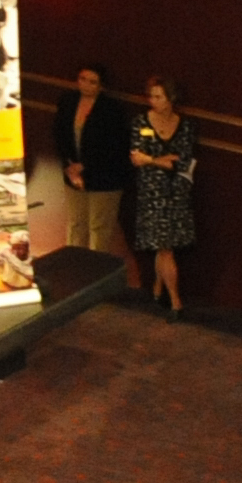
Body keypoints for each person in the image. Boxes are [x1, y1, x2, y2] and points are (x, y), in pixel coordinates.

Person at [129, 75, 200, 315]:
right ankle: (176, 302)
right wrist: (158, 160)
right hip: (152, 193)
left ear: (171, 99)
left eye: (159, 96)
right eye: (151, 96)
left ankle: (158, 289)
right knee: (164, 247)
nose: (153, 101)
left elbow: (181, 162)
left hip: (177, 193)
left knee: (164, 246)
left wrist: (151, 159)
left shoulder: (186, 126)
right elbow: (137, 158)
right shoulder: (142, 122)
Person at [53, 62, 137, 256]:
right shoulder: (67, 101)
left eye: (92, 82)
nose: (86, 85)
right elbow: (58, 134)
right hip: (73, 173)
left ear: (101, 86)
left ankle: (94, 274)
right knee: (76, 224)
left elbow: (115, 146)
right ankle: (73, 269)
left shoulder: (111, 109)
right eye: (82, 79)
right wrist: (69, 165)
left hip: (105, 178)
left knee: (99, 227)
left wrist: (85, 166)